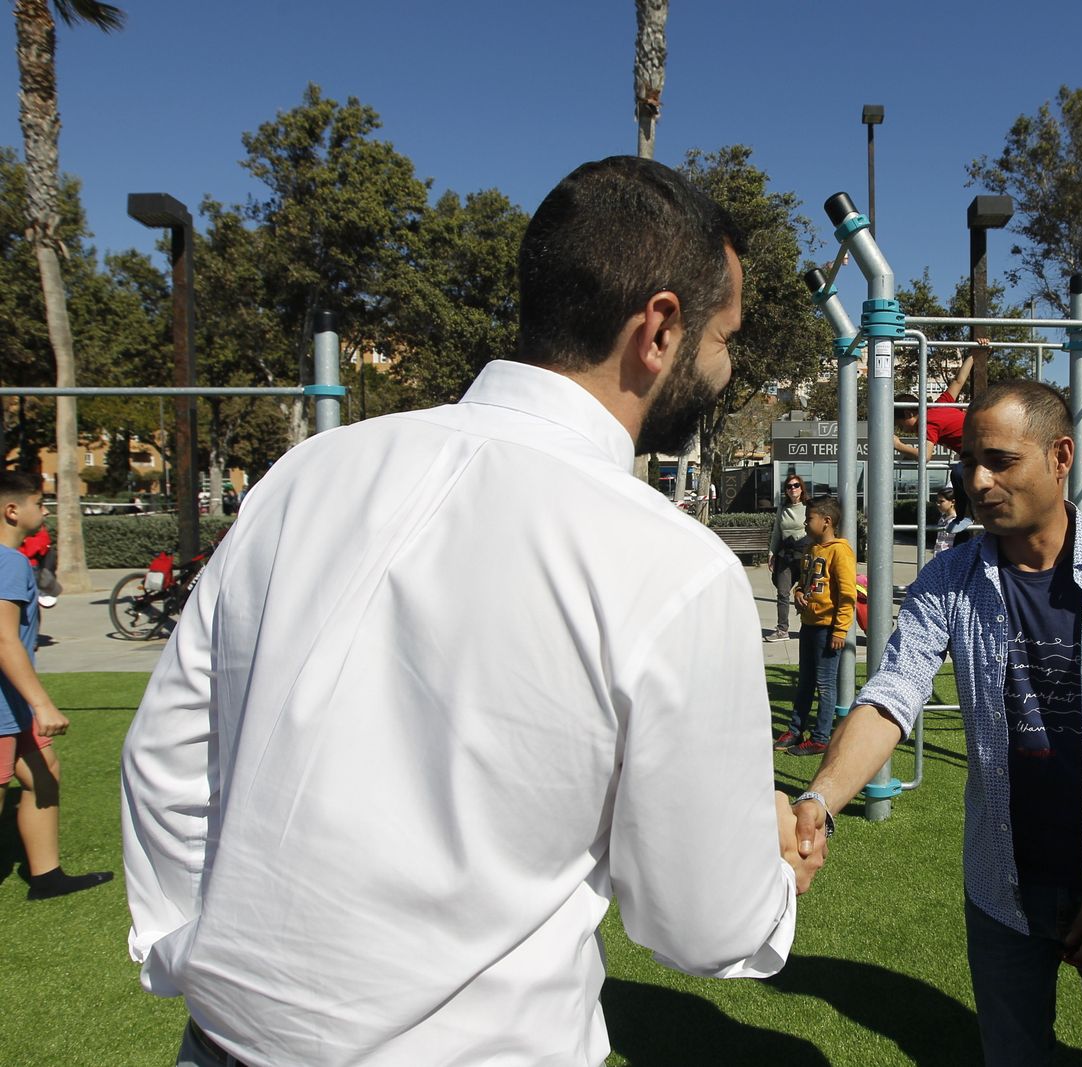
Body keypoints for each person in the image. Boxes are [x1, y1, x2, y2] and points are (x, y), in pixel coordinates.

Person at [121, 156, 819, 1067]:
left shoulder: (309, 475)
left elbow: (167, 758)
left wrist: (204, 958)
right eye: (725, 338)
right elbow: (702, 921)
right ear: (658, 328)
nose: (726, 368)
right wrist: (769, 873)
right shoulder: (678, 567)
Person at [795, 380, 1082, 1064]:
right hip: (1003, 891)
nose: (977, 479)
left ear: (1061, 455)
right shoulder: (949, 579)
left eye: (999, 459)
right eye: (967, 461)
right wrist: (821, 797)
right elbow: (892, 694)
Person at [0, 471, 113, 900]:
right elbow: (4, 639)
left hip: (13, 703)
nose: (43, 511)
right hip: (7, 704)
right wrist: (42, 704)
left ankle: (46, 877)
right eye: (38, 503)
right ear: (13, 511)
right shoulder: (7, 562)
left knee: (45, 774)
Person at [774, 496, 855, 757]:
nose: (805, 523)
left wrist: (840, 629)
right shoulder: (810, 549)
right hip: (808, 625)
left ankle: (820, 737)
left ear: (826, 521)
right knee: (805, 682)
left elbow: (847, 595)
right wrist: (798, 593)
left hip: (828, 629)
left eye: (809, 519)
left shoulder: (840, 551)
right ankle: (795, 729)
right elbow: (806, 583)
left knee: (825, 684)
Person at [894, 341, 982, 519]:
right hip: (983, 441)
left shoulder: (926, 424)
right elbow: (959, 380)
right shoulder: (939, 405)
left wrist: (898, 445)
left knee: (958, 472)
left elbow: (925, 456)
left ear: (910, 413)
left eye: (900, 424)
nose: (902, 429)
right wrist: (975, 353)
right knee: (960, 472)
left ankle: (965, 515)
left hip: (979, 450)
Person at [765, 475, 809, 642]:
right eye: (789, 486)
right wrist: (771, 553)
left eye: (796, 485)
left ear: (801, 487)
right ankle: (782, 629)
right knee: (783, 592)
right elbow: (777, 532)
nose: (793, 489)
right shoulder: (783, 508)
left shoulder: (808, 507)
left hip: (804, 554)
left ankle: (808, 626)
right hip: (786, 555)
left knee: (807, 592)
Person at [932, 485, 972, 554]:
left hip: (950, 556)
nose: (938, 504)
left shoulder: (958, 521)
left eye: (941, 501)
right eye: (937, 501)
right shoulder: (942, 518)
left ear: (952, 502)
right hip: (939, 555)